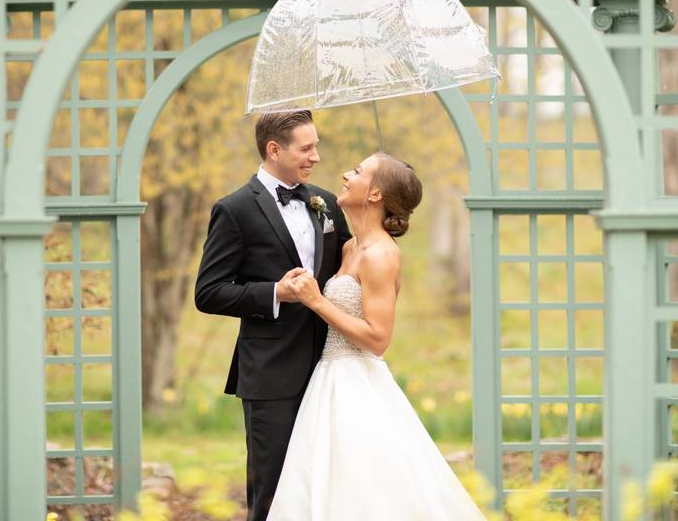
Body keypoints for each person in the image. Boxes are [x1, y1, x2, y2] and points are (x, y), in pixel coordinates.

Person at [267, 153, 485, 520]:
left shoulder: (382, 254)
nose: (345, 173)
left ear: (375, 194)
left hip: (358, 384)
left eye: (358, 171)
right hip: (328, 380)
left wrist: (316, 301)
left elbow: (378, 338)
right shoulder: (350, 247)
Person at [194, 110, 352, 521]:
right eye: (307, 147)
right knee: (274, 486)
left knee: (330, 481)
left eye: (316, 145)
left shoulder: (327, 204)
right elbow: (209, 293)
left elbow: (352, 263)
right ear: (274, 149)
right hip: (270, 375)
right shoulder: (234, 210)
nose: (315, 156)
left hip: (332, 367)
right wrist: (275, 293)